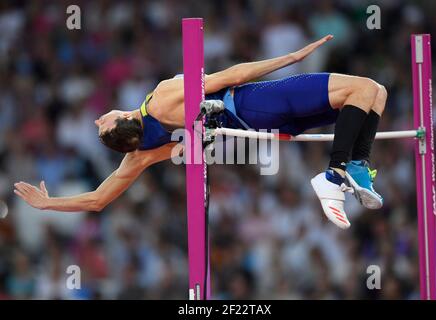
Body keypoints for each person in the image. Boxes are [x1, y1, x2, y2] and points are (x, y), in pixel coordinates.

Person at [14, 35, 386, 229]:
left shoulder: (141, 152)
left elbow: (98, 199)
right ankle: (334, 174)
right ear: (119, 121)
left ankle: (354, 167)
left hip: (257, 126)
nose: (97, 120)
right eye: (101, 125)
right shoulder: (159, 99)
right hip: (257, 102)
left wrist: (49, 204)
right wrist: (290, 59)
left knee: (376, 96)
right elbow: (233, 76)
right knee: (365, 88)